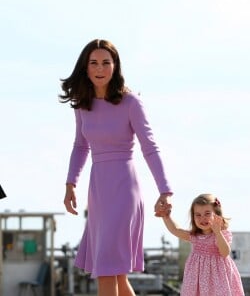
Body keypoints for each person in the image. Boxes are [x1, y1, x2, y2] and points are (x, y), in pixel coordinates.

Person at [59, 39, 173, 296]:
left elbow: (150, 147)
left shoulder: (130, 102)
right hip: (98, 191)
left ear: (115, 66)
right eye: (94, 63)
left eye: (106, 63)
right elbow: (80, 146)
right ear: (86, 68)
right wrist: (70, 184)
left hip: (124, 189)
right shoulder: (82, 104)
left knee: (107, 270)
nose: (100, 69)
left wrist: (165, 190)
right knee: (118, 277)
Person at [159, 193, 244, 296]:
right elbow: (175, 230)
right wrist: (166, 217)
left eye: (207, 213)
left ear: (216, 214)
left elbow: (225, 252)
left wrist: (218, 232)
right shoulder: (195, 236)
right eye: (198, 215)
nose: (202, 218)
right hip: (196, 279)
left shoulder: (221, 234)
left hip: (218, 278)